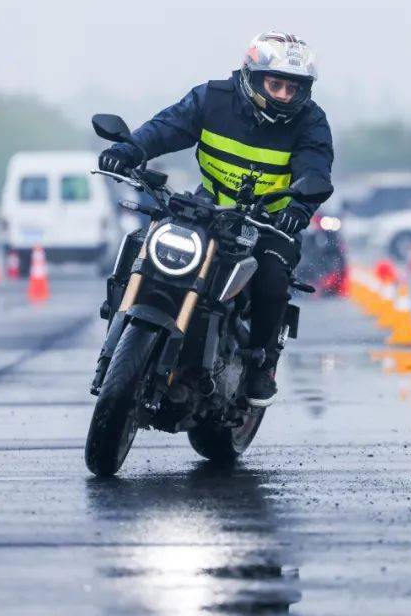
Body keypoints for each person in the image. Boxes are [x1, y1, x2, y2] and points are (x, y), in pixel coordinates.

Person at [97, 31, 333, 407]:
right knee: (148, 240)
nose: (284, 95)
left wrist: (297, 211)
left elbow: (315, 169)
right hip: (210, 206)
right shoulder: (213, 98)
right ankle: (121, 322)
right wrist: (128, 150)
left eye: (293, 88)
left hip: (271, 221)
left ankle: (260, 363)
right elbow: (166, 128)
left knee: (273, 277)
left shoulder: (311, 122)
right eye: (275, 84)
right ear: (252, 76)